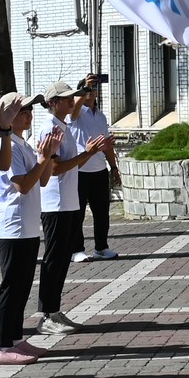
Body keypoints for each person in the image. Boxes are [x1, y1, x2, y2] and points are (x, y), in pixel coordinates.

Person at [0, 92, 61, 365]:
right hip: (14, 226)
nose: (29, 114)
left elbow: (41, 181)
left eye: (30, 110)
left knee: (22, 286)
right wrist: (43, 159)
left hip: (28, 225)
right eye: (23, 110)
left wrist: (48, 155)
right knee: (11, 286)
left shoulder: (23, 143)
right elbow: (22, 185)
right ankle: (3, 345)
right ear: (7, 114)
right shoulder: (7, 145)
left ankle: (15, 337)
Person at [34, 82, 109, 333]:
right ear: (53, 102)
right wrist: (87, 154)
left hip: (67, 203)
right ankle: (46, 315)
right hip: (54, 204)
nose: (71, 102)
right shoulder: (49, 128)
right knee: (54, 260)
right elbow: (53, 169)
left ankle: (54, 310)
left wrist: (90, 152)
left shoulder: (62, 127)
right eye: (65, 99)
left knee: (62, 260)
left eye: (71, 98)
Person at [69, 75, 118, 261]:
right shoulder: (75, 112)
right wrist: (85, 89)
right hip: (80, 169)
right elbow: (74, 109)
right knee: (78, 212)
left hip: (99, 170)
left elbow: (107, 145)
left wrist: (113, 167)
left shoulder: (101, 115)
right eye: (89, 88)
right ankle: (76, 250)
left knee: (102, 211)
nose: (92, 91)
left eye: (95, 88)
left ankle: (101, 247)